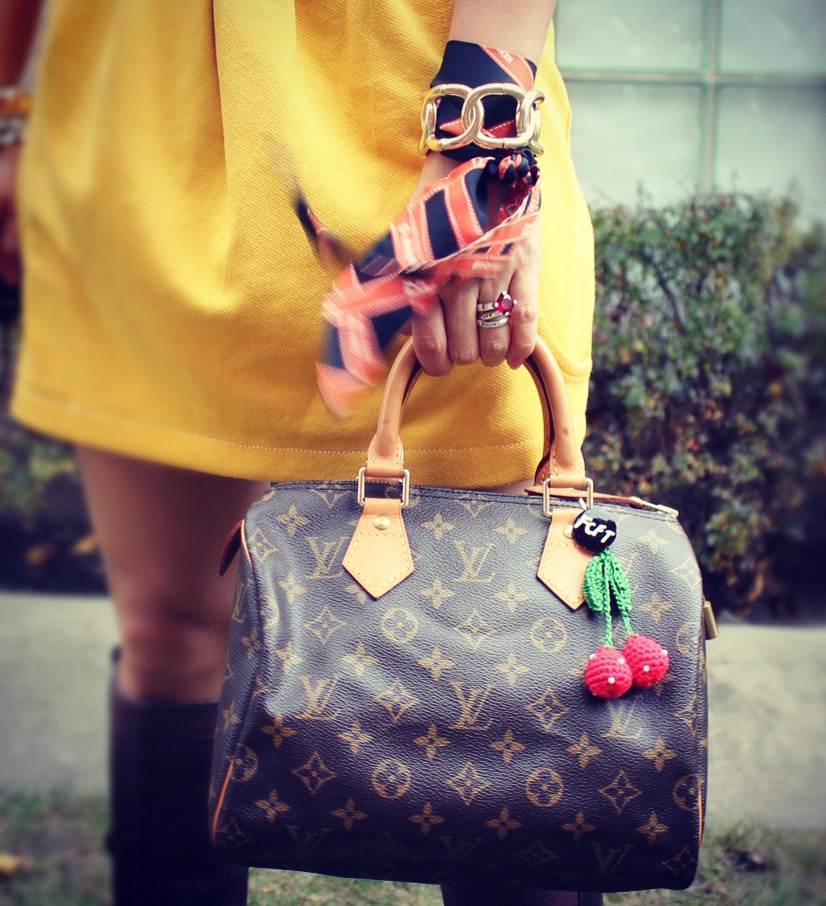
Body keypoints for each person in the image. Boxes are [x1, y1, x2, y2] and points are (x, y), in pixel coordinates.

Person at [0, 1, 597, 904]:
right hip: (142, 133)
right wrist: (10, 107)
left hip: (418, 114)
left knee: (506, 650)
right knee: (171, 640)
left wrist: (483, 134)